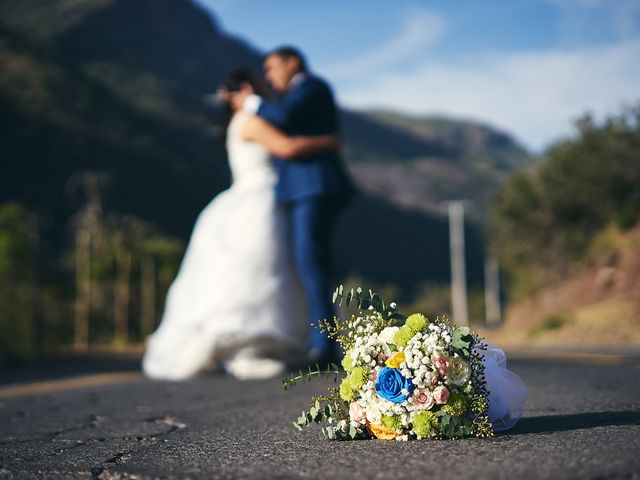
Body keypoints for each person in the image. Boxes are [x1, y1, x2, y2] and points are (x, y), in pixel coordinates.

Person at [142, 68, 339, 381]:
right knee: (262, 273)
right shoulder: (252, 120)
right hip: (259, 202)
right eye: (262, 85)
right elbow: (285, 147)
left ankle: (252, 346)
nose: (268, 88)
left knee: (250, 274)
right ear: (249, 89)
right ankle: (250, 346)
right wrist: (327, 142)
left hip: (245, 198)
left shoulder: (238, 123)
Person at [231, 46, 355, 364]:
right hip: (298, 192)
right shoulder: (287, 99)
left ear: (293, 62)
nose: (269, 77)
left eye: (272, 69)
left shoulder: (312, 87)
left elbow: (284, 117)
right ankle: (321, 339)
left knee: (312, 261)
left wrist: (253, 102)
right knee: (310, 262)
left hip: (313, 188)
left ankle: (323, 345)